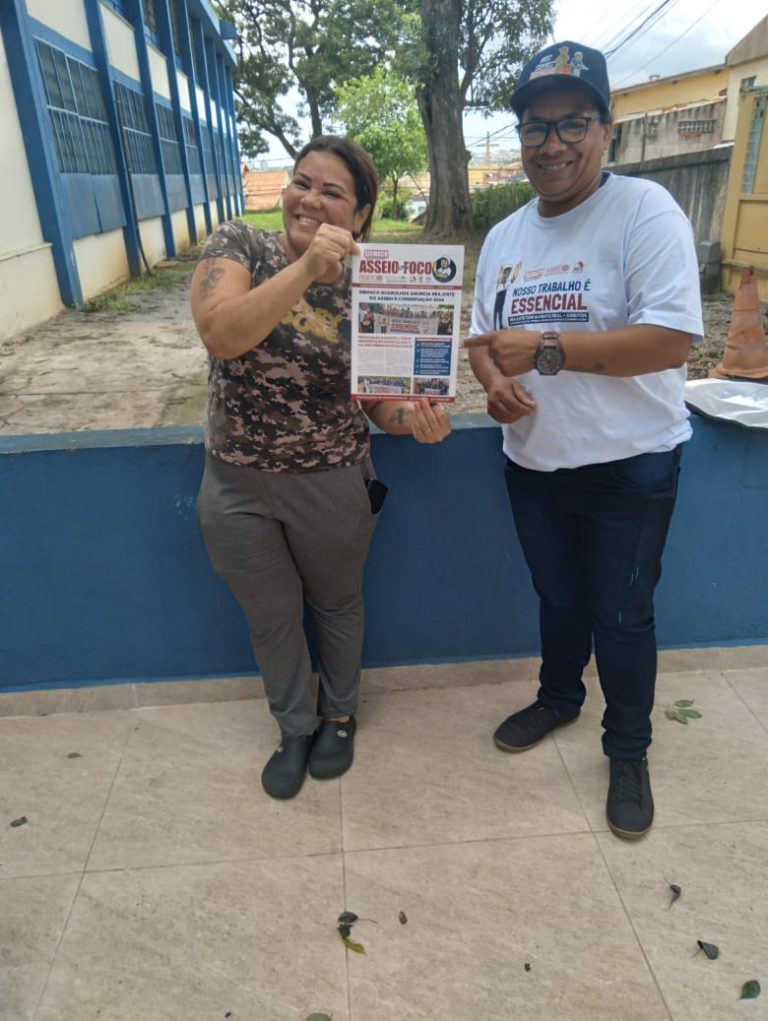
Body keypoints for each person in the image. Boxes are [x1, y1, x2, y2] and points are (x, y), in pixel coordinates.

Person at [465, 41, 703, 840]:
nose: (552, 143)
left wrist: (546, 350)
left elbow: (672, 340)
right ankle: (559, 698)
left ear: (607, 129)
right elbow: (482, 341)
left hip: (630, 464)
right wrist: (495, 384)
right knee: (559, 598)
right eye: (536, 127)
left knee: (623, 615)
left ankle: (627, 749)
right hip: (533, 461)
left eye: (572, 123)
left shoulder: (644, 212)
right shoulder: (504, 237)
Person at [191, 135, 451, 801]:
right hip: (237, 484)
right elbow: (221, 333)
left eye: (332, 192)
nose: (308, 199)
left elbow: (382, 401)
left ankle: (339, 716)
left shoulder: (376, 285)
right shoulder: (241, 246)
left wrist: (415, 418)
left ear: (359, 215)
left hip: (333, 482)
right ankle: (294, 727)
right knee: (271, 615)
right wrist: (307, 267)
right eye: (301, 182)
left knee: (336, 604)